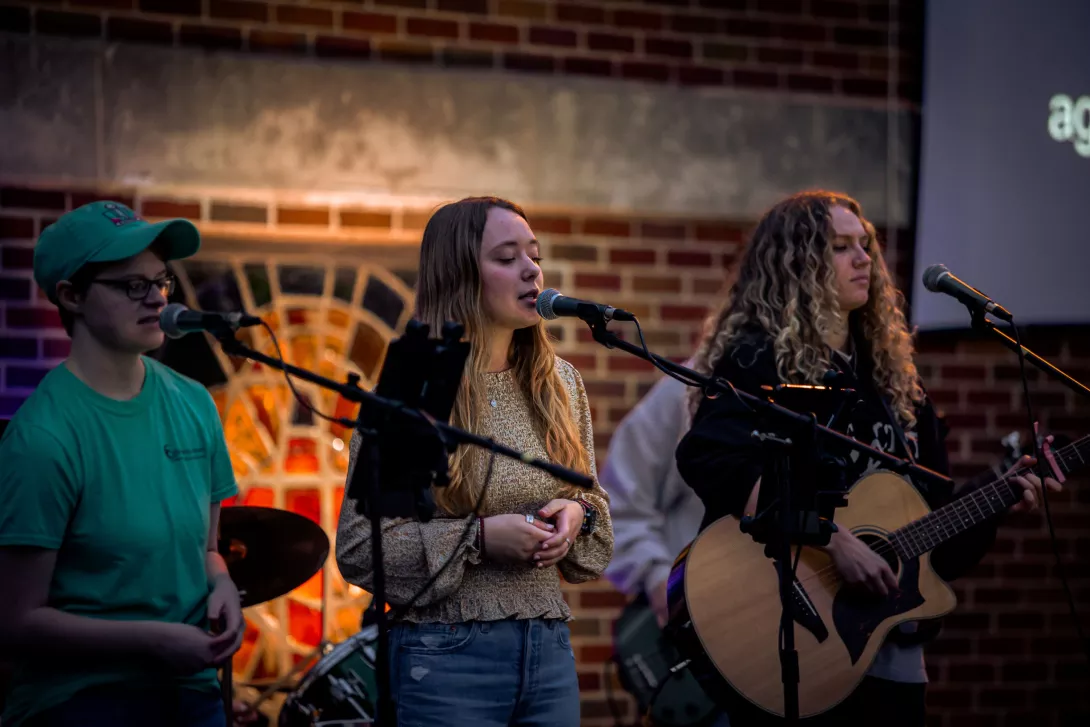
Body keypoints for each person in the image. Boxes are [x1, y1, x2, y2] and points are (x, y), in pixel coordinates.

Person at [674, 190, 1062, 725]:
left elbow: (932, 542)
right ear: (796, 264)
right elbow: (711, 460)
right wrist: (832, 540)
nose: (863, 260)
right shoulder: (757, 361)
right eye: (839, 247)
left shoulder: (897, 386)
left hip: (891, 659)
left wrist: (999, 498)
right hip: (790, 634)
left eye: (865, 246)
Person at [335, 196, 614, 726]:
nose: (532, 269)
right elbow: (358, 546)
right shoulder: (413, 391)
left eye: (534, 255)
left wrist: (577, 515)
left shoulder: (561, 385)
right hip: (445, 657)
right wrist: (478, 538)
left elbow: (593, 511)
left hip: (550, 648)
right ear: (459, 276)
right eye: (507, 258)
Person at [0, 201, 246, 727]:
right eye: (133, 286)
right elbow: (16, 622)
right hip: (82, 698)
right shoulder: (43, 438)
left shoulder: (195, 403)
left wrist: (222, 584)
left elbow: (207, 550)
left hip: (191, 691)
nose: (157, 298)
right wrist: (151, 640)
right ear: (73, 297)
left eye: (161, 281)